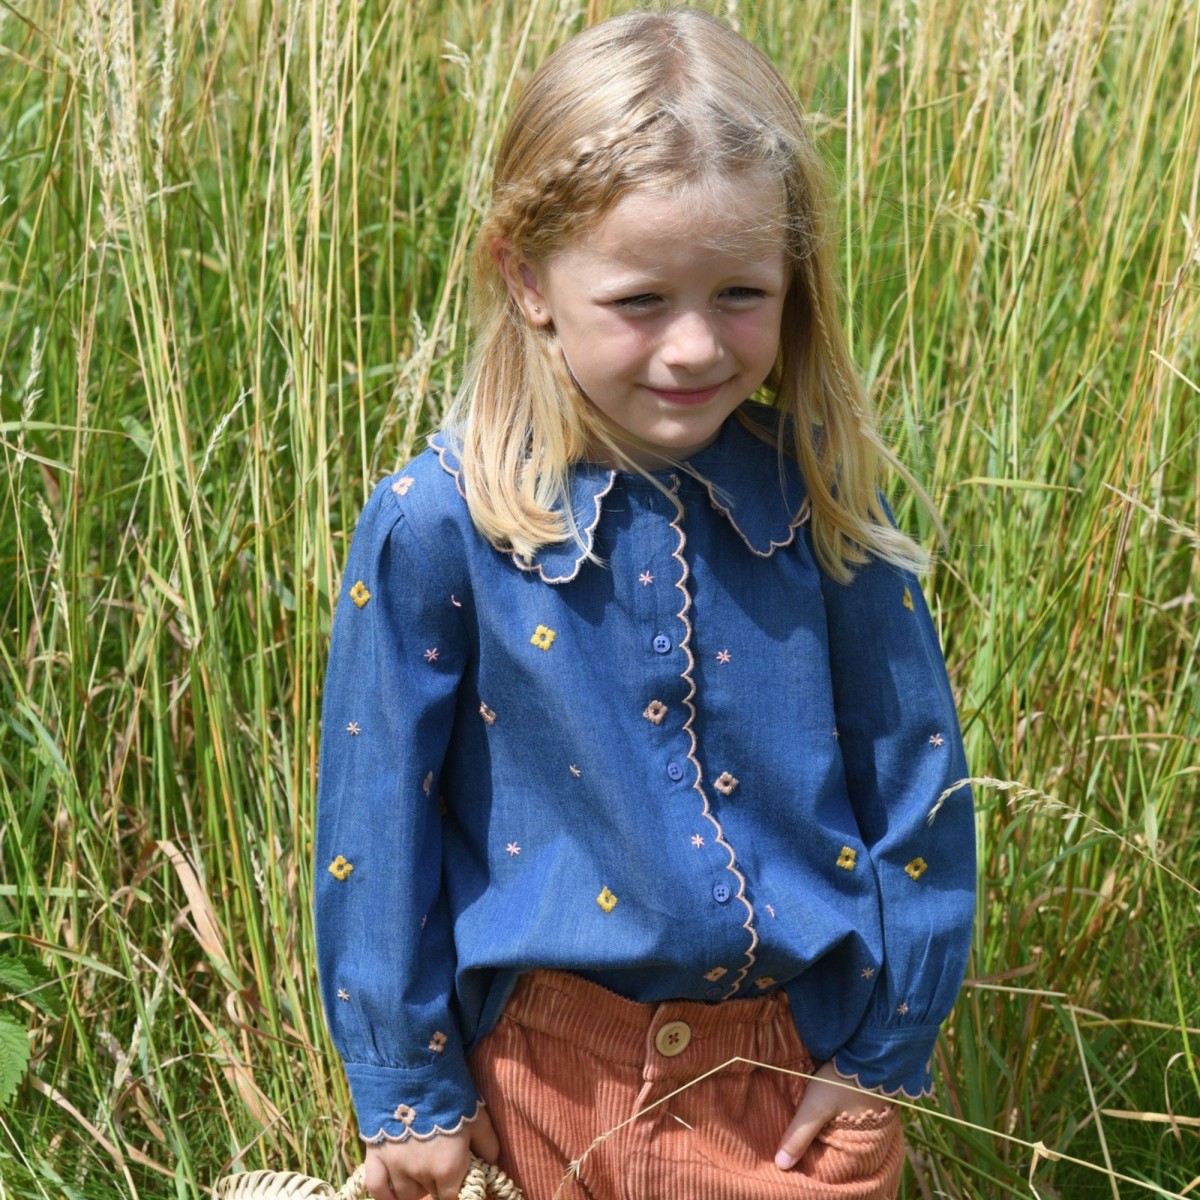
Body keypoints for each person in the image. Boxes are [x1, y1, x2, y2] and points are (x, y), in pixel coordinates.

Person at [313, 8, 975, 1200]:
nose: (691, 346)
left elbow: (918, 785)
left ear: (794, 285)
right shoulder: (440, 524)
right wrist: (408, 1090)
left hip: (791, 1091)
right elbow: (378, 819)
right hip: (536, 1089)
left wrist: (883, 1055)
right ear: (527, 278)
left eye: (738, 293)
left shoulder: (823, 500)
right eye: (638, 300)